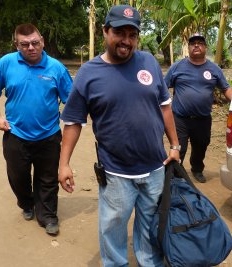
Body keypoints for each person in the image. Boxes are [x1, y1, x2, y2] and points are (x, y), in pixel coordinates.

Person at [58, 5, 180, 266]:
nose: (126, 41)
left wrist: (175, 145)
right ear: (105, 31)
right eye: (119, 33)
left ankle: (150, 263)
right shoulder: (88, 75)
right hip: (116, 173)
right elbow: (73, 122)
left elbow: (165, 106)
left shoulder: (148, 61)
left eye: (132, 35)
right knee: (112, 227)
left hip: (155, 167)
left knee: (150, 225)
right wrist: (64, 163)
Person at [0, 23, 73, 235]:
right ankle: (26, 203)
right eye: (25, 44)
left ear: (42, 41)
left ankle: (48, 215)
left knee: (48, 178)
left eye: (35, 43)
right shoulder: (5, 64)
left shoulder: (57, 68)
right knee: (18, 177)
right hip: (15, 134)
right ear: (16, 45)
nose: (31, 48)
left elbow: (70, 101)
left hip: (49, 135)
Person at [164, 33, 232, 183]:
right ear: (188, 47)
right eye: (193, 43)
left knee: (201, 146)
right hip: (180, 118)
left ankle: (197, 169)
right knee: (179, 148)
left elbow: (226, 89)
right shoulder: (177, 67)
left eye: (200, 43)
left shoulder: (214, 69)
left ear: (205, 47)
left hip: (203, 119)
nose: (196, 45)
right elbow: (163, 87)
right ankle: (176, 175)